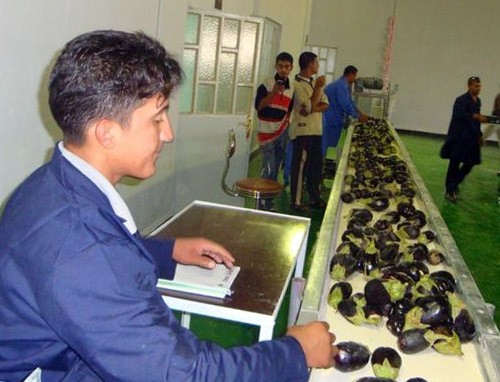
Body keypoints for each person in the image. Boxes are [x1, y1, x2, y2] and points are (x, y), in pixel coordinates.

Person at [0, 30, 338, 381]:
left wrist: (167, 251)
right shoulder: (79, 246)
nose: (168, 133)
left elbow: (102, 246)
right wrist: (295, 352)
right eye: (158, 118)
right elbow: (184, 374)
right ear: (106, 133)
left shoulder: (50, 184)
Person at [289, 52, 329, 212]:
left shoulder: (313, 83)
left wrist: (312, 108)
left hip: (316, 131)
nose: (318, 66)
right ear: (309, 64)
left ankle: (314, 198)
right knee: (300, 168)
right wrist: (317, 92)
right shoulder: (297, 85)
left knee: (315, 167)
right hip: (303, 132)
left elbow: (325, 104)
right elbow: (309, 107)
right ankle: (296, 202)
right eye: (316, 63)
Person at [254, 52, 294, 210]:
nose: (284, 70)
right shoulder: (266, 84)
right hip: (266, 133)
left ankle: (269, 203)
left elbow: (289, 110)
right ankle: (260, 203)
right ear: (276, 67)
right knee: (268, 168)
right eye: (280, 66)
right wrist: (274, 92)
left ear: (291, 68)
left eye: (287, 67)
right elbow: (260, 106)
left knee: (276, 169)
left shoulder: (292, 88)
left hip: (281, 132)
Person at [441, 76, 489, 201]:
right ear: (469, 86)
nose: (478, 88)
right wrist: (476, 116)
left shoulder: (477, 101)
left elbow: (475, 122)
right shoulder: (461, 100)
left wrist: (479, 135)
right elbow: (459, 115)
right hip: (459, 137)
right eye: (475, 86)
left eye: (479, 86)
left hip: (472, 138)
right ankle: (450, 190)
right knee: (454, 163)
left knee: (471, 162)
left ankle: (455, 182)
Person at [322, 65, 369, 158]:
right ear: (351, 74)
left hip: (333, 118)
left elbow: (349, 101)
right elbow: (346, 105)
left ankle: (320, 165)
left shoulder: (342, 84)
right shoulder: (341, 86)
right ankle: (318, 168)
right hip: (330, 119)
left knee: (325, 144)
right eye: (355, 76)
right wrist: (358, 116)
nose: (355, 79)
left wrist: (360, 112)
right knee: (323, 145)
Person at [481, 90, 500, 174]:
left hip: (496, 121)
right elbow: (497, 109)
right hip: (496, 121)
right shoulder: (499, 96)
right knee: (481, 138)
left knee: (482, 137)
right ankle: (467, 158)